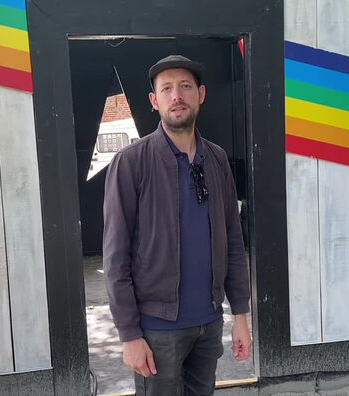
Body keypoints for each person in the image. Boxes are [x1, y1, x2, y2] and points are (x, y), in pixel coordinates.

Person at [103, 54, 252, 396]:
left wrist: (240, 317)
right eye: (167, 89)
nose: (177, 95)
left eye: (185, 86)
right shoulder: (131, 163)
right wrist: (129, 335)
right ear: (155, 102)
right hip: (157, 330)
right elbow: (115, 258)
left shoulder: (216, 160)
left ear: (201, 95)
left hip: (209, 324)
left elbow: (233, 241)